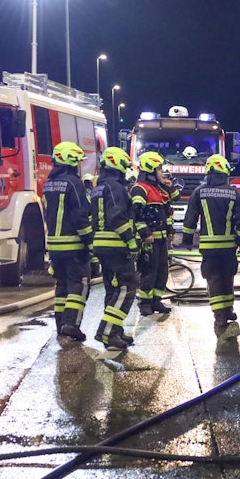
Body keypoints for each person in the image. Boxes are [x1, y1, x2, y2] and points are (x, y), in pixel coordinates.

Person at [181, 154, 240, 341]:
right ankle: (228, 311)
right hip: (228, 247)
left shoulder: (199, 192)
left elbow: (190, 218)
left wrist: (187, 240)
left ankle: (220, 316)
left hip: (209, 248)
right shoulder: (233, 193)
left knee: (214, 280)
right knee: (228, 279)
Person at [42, 141, 94, 341]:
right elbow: (80, 216)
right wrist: (90, 242)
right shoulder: (74, 183)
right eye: (77, 162)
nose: (78, 166)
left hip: (54, 245)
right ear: (70, 161)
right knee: (79, 286)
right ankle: (71, 324)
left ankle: (60, 325)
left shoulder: (48, 184)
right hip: (73, 244)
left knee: (62, 286)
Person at [90, 146, 140, 349]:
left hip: (101, 244)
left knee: (112, 289)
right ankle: (108, 331)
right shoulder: (116, 188)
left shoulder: (98, 187)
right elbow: (117, 217)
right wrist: (131, 241)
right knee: (127, 287)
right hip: (116, 244)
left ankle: (115, 330)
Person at [131, 151, 175, 316]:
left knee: (162, 270)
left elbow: (167, 212)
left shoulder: (159, 189)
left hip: (162, 238)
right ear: (150, 170)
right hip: (148, 240)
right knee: (148, 271)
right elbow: (137, 213)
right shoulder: (139, 189)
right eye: (158, 169)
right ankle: (145, 303)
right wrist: (144, 233)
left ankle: (157, 301)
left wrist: (170, 230)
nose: (161, 172)